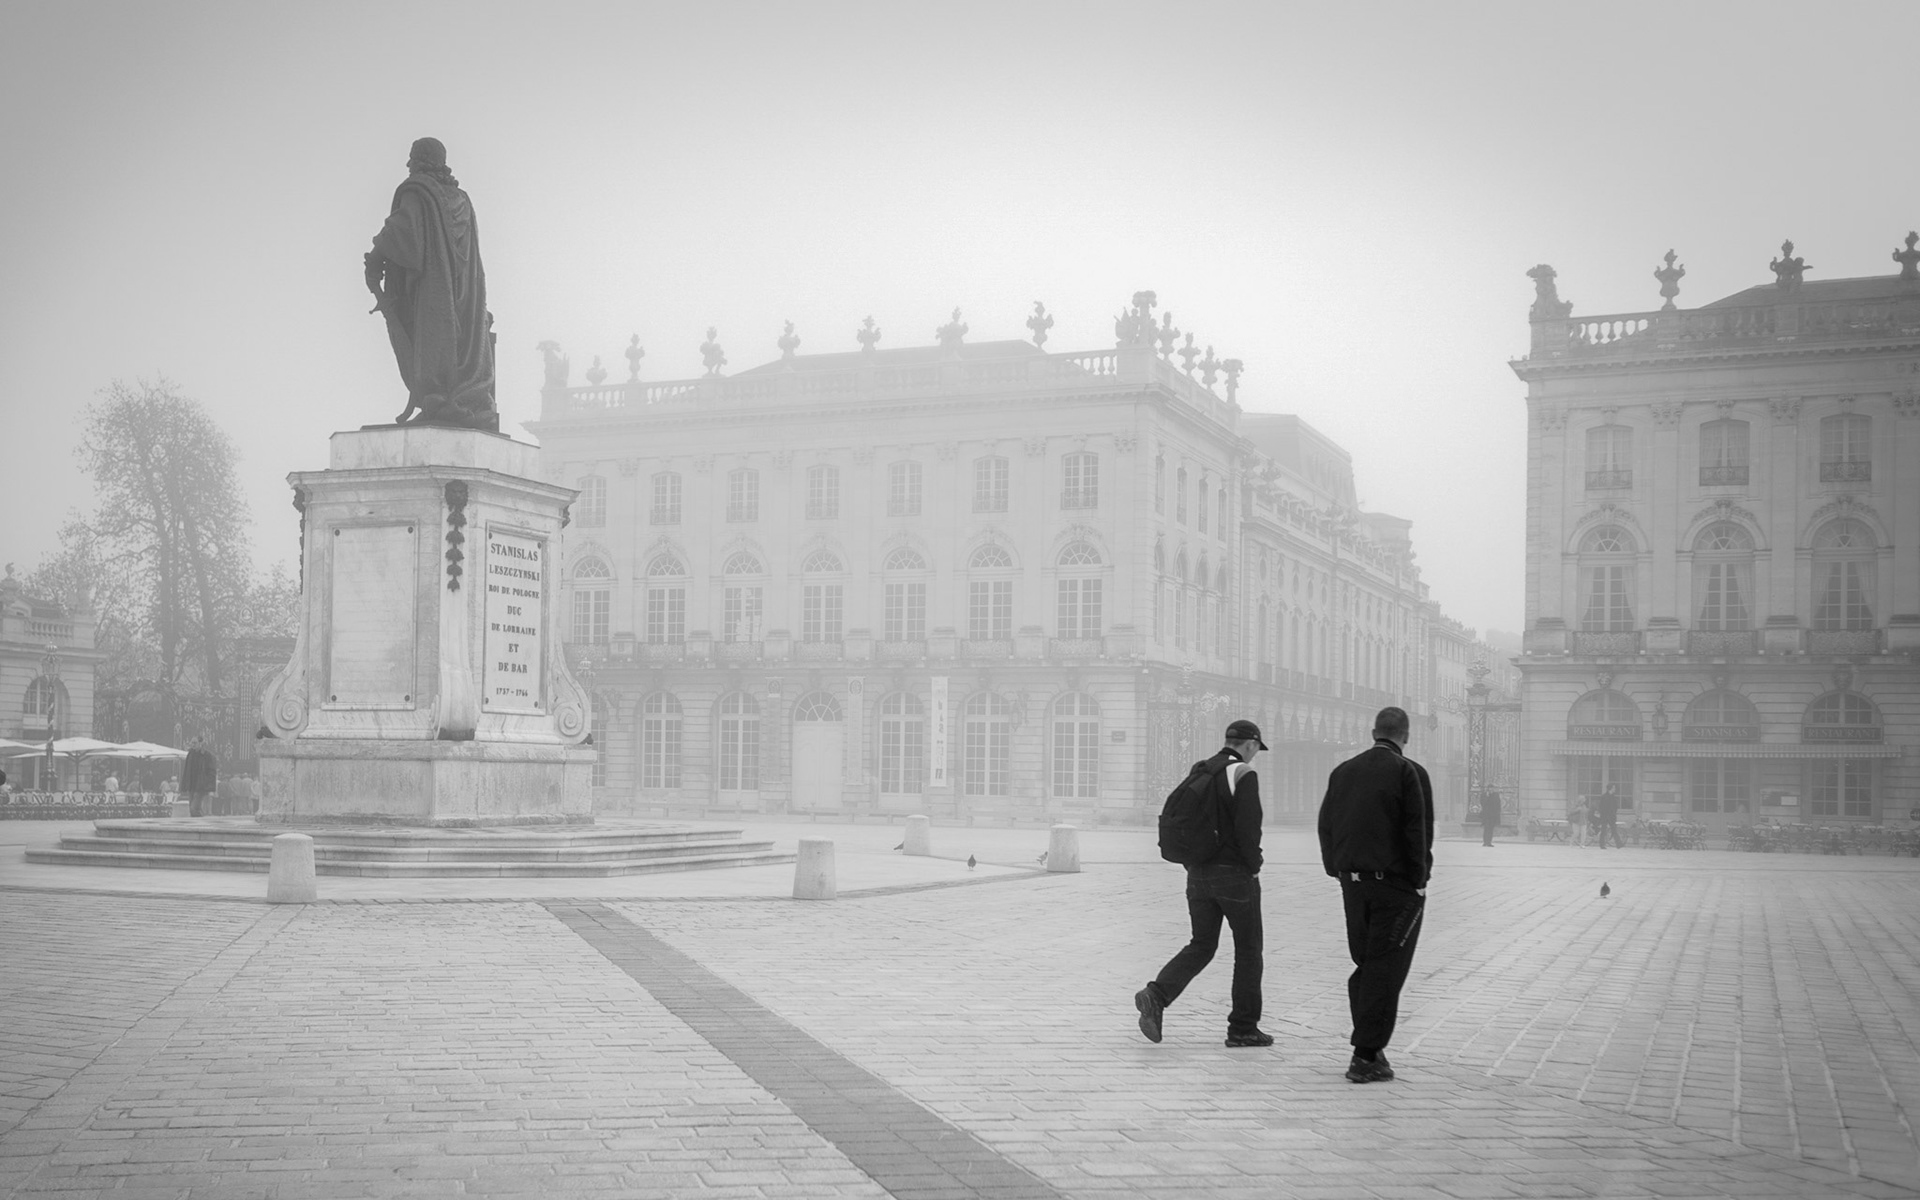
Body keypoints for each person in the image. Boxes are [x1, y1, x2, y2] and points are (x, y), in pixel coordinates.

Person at [1136, 720, 1272, 1048]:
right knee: (1249, 949)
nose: (1255, 756)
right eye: (1256, 749)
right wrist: (1253, 867)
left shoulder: (1202, 770)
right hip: (1234, 875)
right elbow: (1248, 828)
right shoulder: (1242, 774)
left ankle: (1157, 994)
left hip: (1197, 873)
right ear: (1251, 744)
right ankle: (1243, 1028)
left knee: (1202, 944)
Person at [1318, 706, 1433, 1084]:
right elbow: (1417, 830)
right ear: (1406, 735)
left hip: (1353, 884)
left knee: (1367, 964)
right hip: (1395, 886)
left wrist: (1336, 869)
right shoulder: (1409, 773)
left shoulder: (1343, 771)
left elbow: (1326, 825)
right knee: (1386, 969)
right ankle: (1366, 1055)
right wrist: (1420, 879)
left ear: (1373, 732)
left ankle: (1370, 1046)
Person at [365, 137, 497, 431]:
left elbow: (402, 229)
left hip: (433, 287)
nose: (409, 164)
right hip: (465, 291)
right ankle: (460, 397)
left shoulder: (419, 191)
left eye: (412, 157)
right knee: (461, 343)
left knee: (433, 339)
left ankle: (437, 397)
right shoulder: (462, 199)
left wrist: (375, 257)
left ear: (420, 160)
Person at [182, 739, 217, 818]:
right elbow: (187, 770)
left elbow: (211, 770)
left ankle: (199, 818)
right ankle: (198, 821)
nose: (193, 745)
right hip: (192, 784)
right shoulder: (190, 754)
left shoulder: (207, 755)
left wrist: (208, 783)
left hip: (201, 785)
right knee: (193, 808)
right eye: (192, 743)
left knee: (193, 808)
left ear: (201, 744)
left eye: (195, 743)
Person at [1594, 784, 1624, 849]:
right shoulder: (1604, 797)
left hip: (1612, 817)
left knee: (1614, 830)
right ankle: (1602, 845)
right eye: (1613, 788)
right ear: (1610, 788)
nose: (1615, 789)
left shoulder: (1613, 797)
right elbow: (1601, 807)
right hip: (1605, 817)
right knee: (1603, 831)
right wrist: (1603, 815)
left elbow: (1616, 807)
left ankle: (1619, 844)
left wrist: (1614, 813)